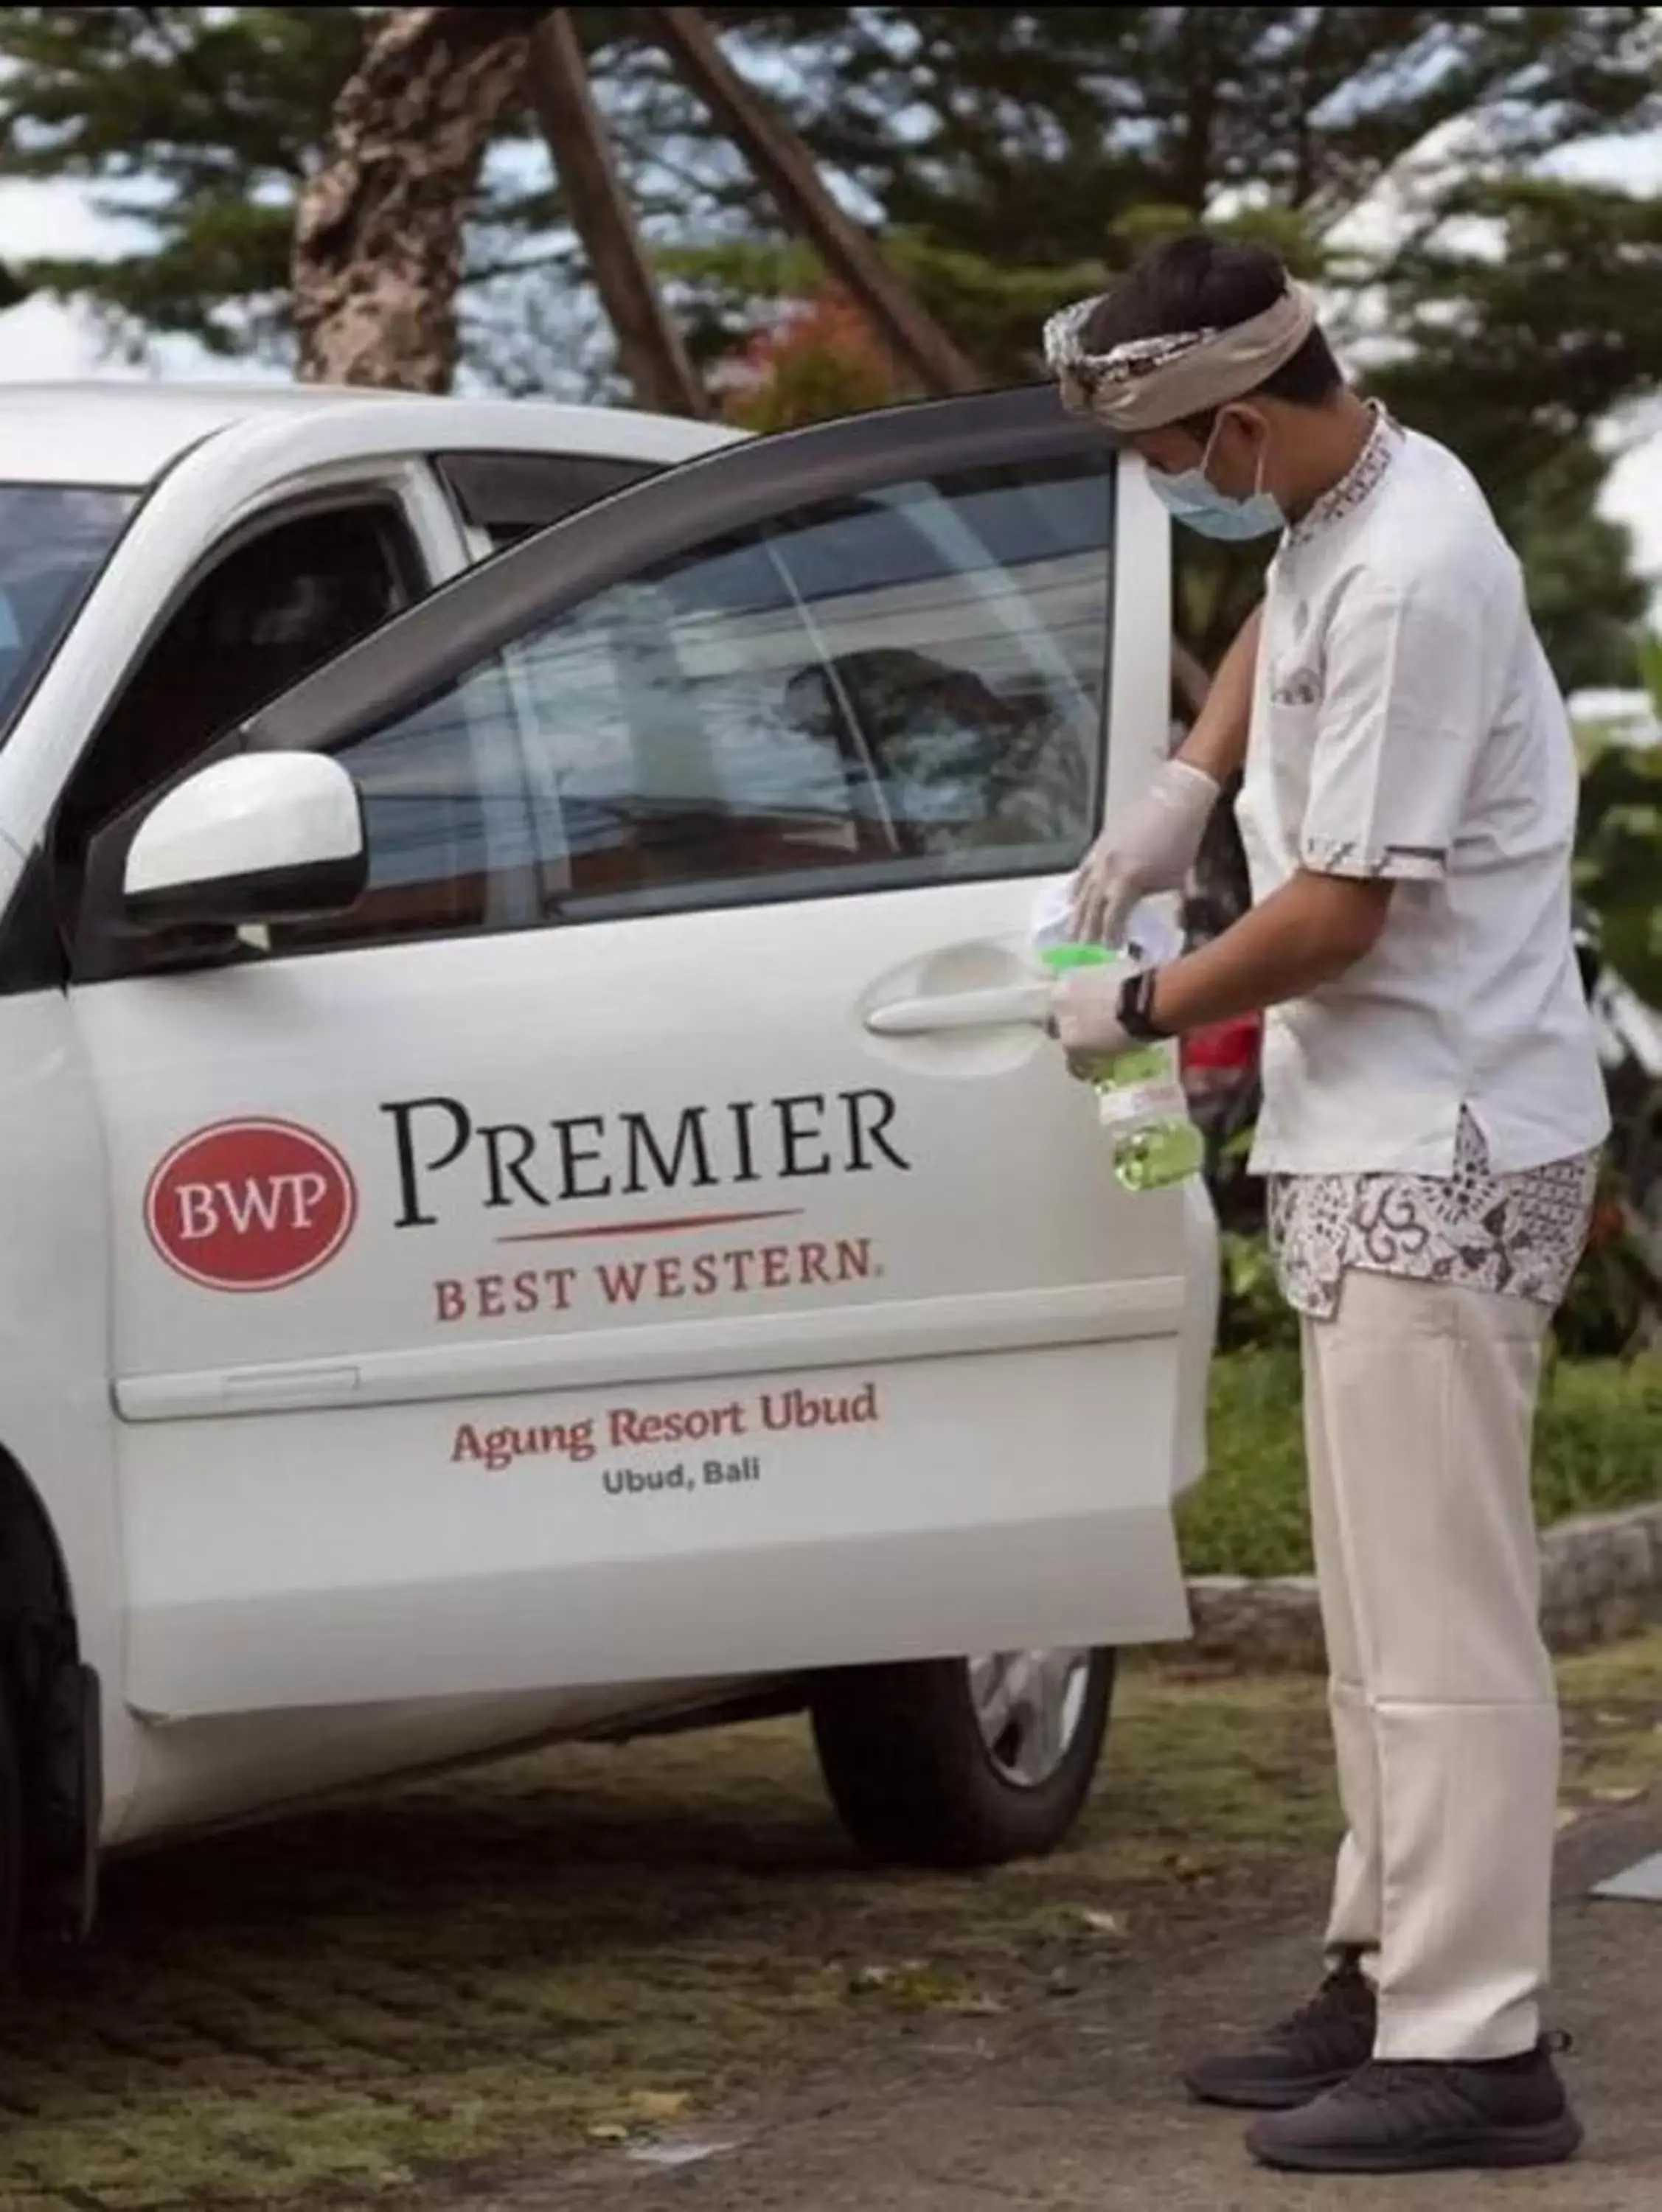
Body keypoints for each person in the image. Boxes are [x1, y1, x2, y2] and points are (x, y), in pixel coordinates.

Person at [1040, 235, 1610, 2177]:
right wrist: (1184, 784)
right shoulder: (1357, 491)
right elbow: (1283, 622)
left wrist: (1130, 1002)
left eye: (1169, 460)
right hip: (1372, 1133)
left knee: (1445, 1631)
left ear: (1242, 421)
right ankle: (1387, 1969)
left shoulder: (1421, 569)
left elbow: (1341, 913)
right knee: (1379, 1621)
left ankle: (1479, 2042)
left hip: (1436, 1138)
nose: (1166, 496)